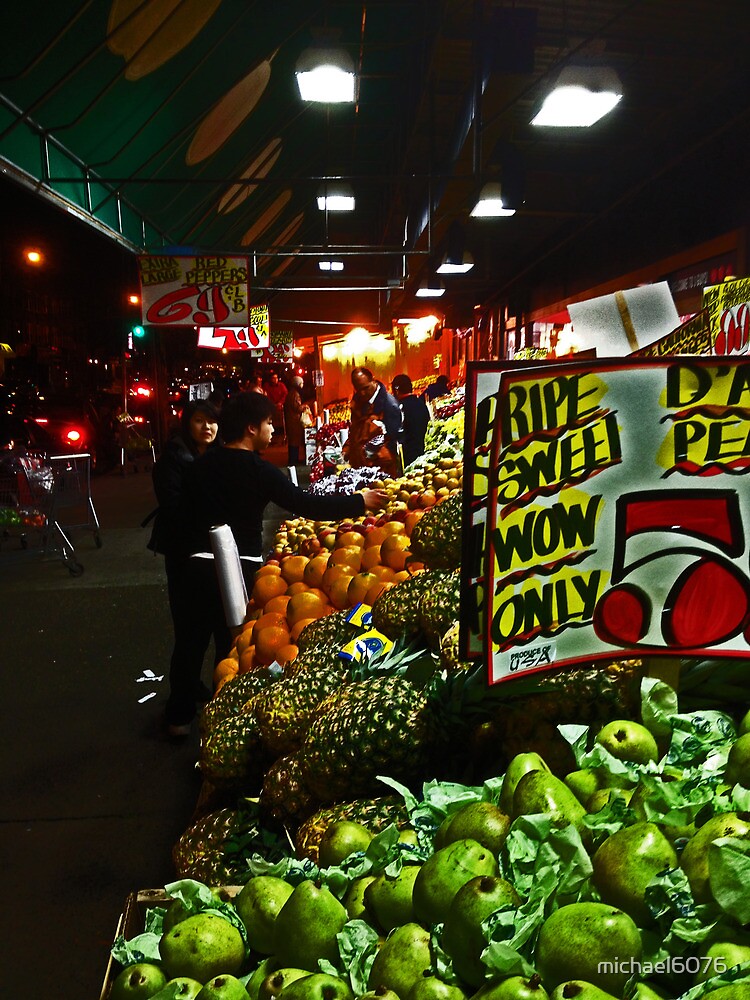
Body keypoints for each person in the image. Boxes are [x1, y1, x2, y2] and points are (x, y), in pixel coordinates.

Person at [176, 392, 388, 730]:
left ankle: (179, 716)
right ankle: (222, 717)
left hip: (194, 562)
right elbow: (306, 505)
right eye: (269, 423)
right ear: (250, 428)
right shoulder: (259, 470)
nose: (273, 430)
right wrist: (359, 502)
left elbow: (182, 512)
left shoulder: (199, 466)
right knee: (234, 643)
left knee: (190, 640)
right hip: (237, 566)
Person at [144, 400, 221, 737]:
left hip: (217, 551)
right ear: (187, 424)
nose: (207, 428)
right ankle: (179, 713)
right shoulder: (172, 460)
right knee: (190, 630)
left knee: (220, 628)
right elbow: (174, 507)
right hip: (185, 554)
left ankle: (210, 697)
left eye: (212, 422)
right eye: (200, 421)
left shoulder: (220, 457)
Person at [343, 366, 402, 477]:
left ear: (373, 380)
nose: (362, 393)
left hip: (381, 473)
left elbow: (393, 443)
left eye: (365, 388)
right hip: (359, 470)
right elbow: (354, 431)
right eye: (358, 389)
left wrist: (369, 455)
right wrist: (348, 449)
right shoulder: (357, 403)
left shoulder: (390, 406)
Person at [391, 373, 431, 468]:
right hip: (421, 455)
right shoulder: (421, 405)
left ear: (396, 390)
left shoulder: (398, 409)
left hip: (406, 459)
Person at [284, 375, 306, 466]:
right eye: (301, 383)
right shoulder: (295, 394)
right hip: (294, 421)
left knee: (294, 440)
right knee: (294, 441)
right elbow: (297, 408)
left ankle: (294, 459)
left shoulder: (291, 393)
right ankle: (293, 460)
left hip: (291, 420)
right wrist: (304, 407)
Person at [264, 372, 287, 440]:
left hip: (279, 407)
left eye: (276, 378)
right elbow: (265, 395)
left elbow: (285, 394)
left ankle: (281, 436)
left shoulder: (281, 385)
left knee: (280, 422)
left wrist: (281, 402)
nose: (275, 380)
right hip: (271, 407)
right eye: (273, 378)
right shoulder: (267, 386)